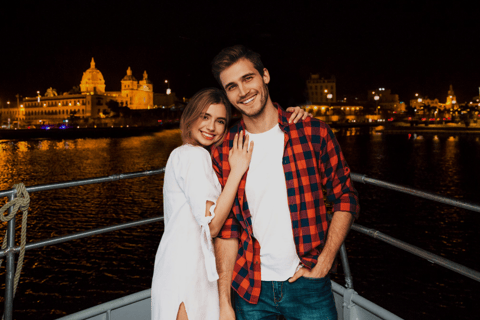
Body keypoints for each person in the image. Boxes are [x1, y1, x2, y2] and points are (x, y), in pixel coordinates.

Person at [211, 45, 360, 320]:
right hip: (249, 288)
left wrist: (325, 261)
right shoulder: (223, 150)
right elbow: (227, 230)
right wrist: (224, 302)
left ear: (265, 75)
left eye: (248, 78)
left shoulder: (312, 132)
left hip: (308, 283)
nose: (243, 92)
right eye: (232, 86)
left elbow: (345, 196)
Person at [151, 87, 310, 320]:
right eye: (205, 117)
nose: (211, 127)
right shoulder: (194, 157)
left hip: (179, 262)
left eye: (220, 121)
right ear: (190, 117)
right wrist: (237, 170)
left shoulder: (181, 154)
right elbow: (213, 225)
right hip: (188, 269)